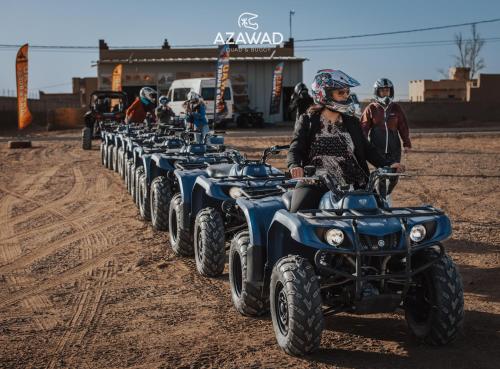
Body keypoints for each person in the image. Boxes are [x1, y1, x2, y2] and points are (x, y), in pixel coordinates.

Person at [287, 69, 404, 213]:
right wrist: (294, 164)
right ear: (324, 94)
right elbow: (296, 147)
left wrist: (389, 163)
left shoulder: (352, 122)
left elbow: (367, 149)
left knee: (381, 212)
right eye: (341, 93)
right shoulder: (307, 120)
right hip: (317, 181)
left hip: (355, 182)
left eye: (347, 92)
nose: (346, 96)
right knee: (298, 214)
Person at [360, 78, 412, 198]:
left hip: (394, 148)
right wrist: (361, 145)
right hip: (377, 148)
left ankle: (387, 194)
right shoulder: (371, 108)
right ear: (377, 92)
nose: (385, 93)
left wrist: (407, 143)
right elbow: (363, 128)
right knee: (382, 174)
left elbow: (403, 126)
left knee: (394, 175)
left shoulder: (396, 108)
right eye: (382, 91)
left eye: (387, 91)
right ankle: (382, 199)